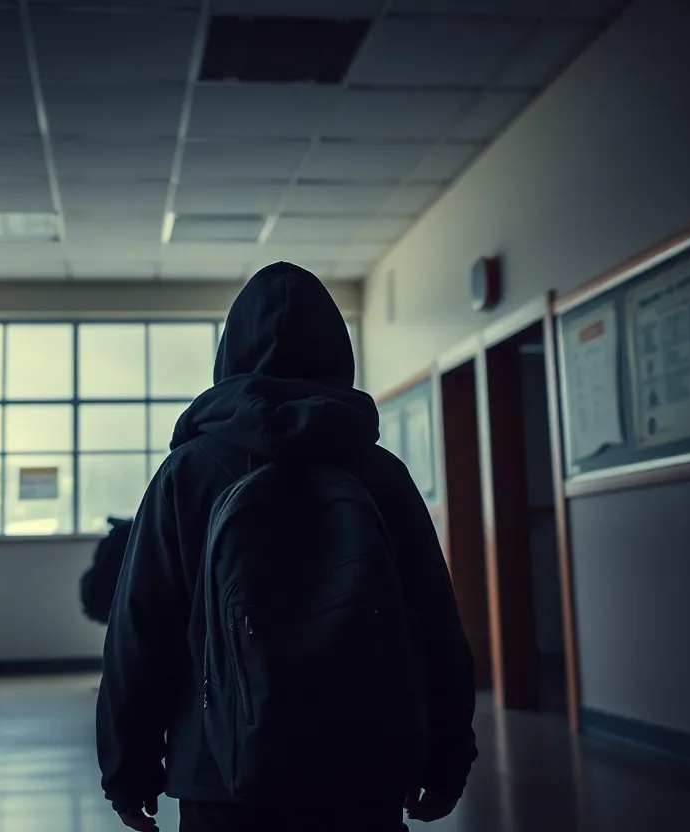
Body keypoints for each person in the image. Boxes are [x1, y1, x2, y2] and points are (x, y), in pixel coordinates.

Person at [97, 262, 477, 832]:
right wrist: (447, 758)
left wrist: (128, 768)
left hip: (219, 767)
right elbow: (435, 623)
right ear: (338, 355)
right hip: (365, 760)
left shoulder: (188, 473)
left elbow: (141, 629)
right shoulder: (380, 472)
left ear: (228, 357)